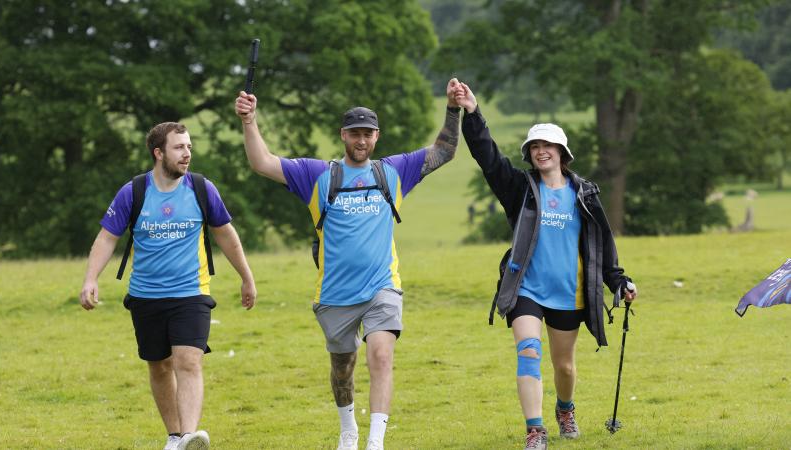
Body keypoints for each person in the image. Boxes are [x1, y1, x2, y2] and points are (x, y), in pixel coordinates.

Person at [234, 79, 462, 450]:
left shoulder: (394, 172)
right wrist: (249, 121)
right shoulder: (317, 175)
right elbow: (262, 162)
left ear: (377, 136)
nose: (361, 141)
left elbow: (445, 150)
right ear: (343, 135)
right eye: (355, 134)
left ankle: (375, 442)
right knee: (342, 368)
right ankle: (348, 430)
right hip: (335, 295)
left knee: (381, 353)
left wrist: (453, 109)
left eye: (368, 134)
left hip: (382, 287)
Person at [454, 83, 637, 450]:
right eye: (535, 147)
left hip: (569, 293)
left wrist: (619, 281)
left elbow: (603, 245)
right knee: (528, 352)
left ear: (562, 153)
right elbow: (488, 157)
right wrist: (472, 113)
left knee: (564, 367)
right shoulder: (519, 189)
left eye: (547, 146)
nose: (540, 152)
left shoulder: (584, 194)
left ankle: (565, 408)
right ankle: (535, 431)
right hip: (526, 288)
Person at [79, 122, 257, 450]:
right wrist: (91, 279)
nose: (187, 153)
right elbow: (107, 238)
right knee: (159, 365)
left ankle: (189, 436)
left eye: (189, 146)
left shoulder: (202, 189)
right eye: (179, 148)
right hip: (146, 296)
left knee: (188, 359)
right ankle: (175, 436)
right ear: (158, 153)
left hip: (192, 293)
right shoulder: (133, 192)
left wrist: (246, 277)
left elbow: (226, 235)